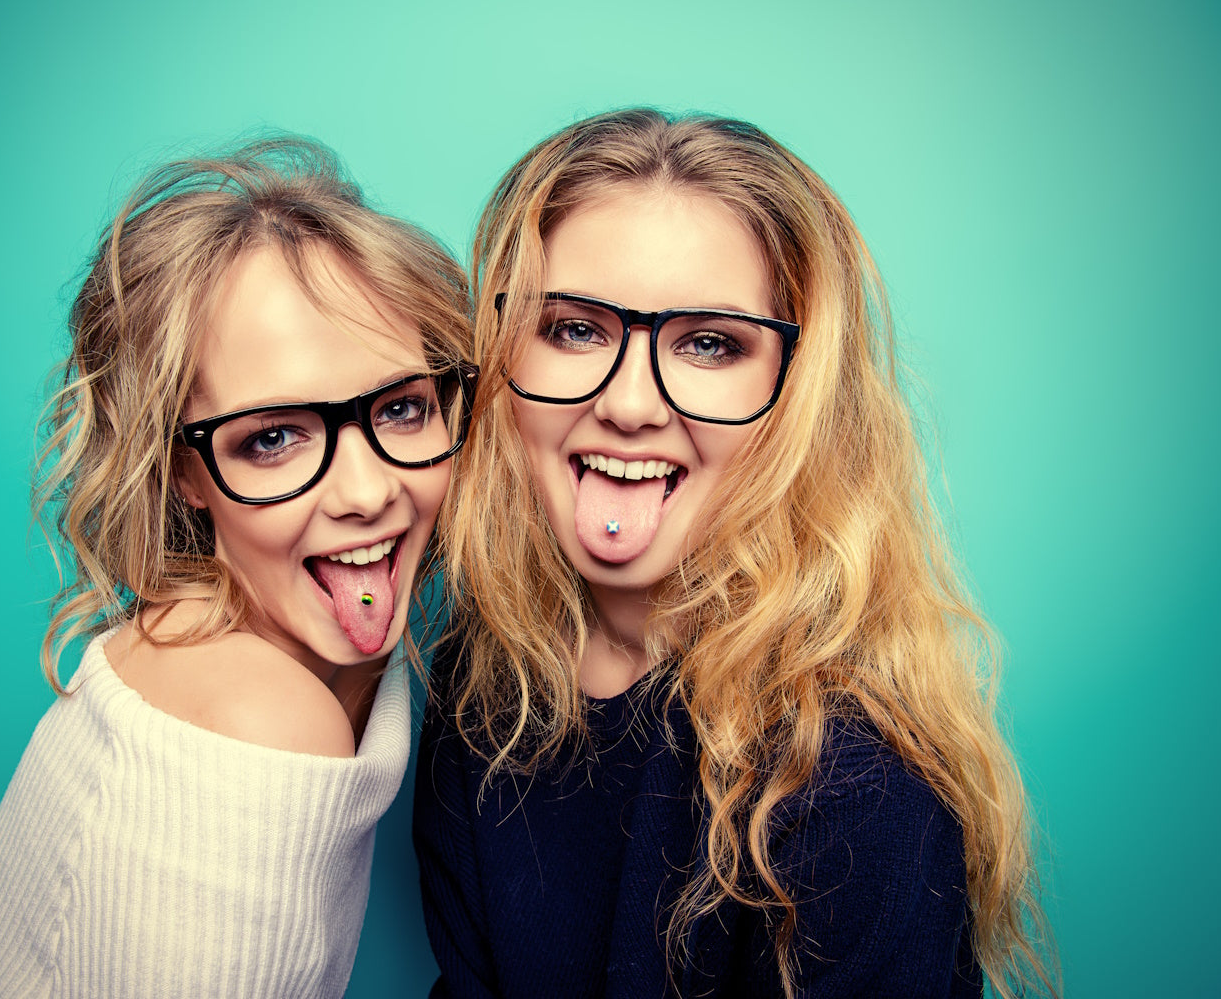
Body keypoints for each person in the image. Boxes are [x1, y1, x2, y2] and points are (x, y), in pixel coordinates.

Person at [414, 109, 1056, 997]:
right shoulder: (490, 683)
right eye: (574, 329)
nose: (630, 403)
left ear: (794, 398)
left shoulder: (851, 784)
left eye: (710, 344)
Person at [0, 138, 474, 999]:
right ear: (184, 471)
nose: (367, 491)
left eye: (401, 408)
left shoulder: (210, 647)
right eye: (272, 437)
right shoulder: (256, 716)